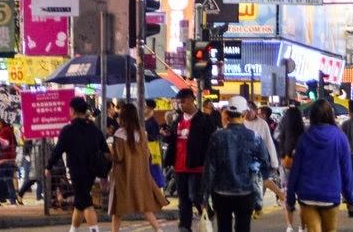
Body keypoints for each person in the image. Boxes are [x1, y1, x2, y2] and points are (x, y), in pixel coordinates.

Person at [287, 99, 353, 232]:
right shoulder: (340, 138)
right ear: (330, 115)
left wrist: (290, 199)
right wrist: (351, 201)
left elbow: (295, 171)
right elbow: (346, 172)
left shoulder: (305, 138)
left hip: (307, 196)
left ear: (312, 116)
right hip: (331, 195)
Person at [203, 99, 270, 232]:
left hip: (221, 192)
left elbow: (210, 168)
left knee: (223, 227)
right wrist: (253, 170)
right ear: (244, 114)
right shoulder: (254, 137)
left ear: (227, 114)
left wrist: (205, 194)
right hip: (246, 192)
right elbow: (264, 163)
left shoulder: (217, 137)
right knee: (243, 227)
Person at [48, 97, 112, 232]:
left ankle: (94, 230)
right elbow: (107, 152)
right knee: (79, 203)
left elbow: (57, 150)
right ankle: (73, 229)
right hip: (92, 171)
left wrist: (49, 166)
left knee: (87, 203)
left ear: (72, 110)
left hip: (77, 171)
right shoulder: (94, 130)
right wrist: (106, 169)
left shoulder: (67, 130)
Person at [163, 88, 216, 232]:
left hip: (197, 166)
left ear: (192, 100)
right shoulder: (178, 120)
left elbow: (211, 142)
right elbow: (173, 140)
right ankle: (184, 226)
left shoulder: (204, 120)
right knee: (183, 199)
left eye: (184, 102)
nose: (181, 105)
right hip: (180, 166)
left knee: (195, 196)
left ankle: (208, 212)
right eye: (179, 103)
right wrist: (167, 136)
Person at [109, 102, 166, 232]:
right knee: (144, 205)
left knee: (118, 209)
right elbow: (147, 154)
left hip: (123, 176)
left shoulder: (119, 133)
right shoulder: (142, 132)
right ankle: (158, 229)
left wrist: (109, 150)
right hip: (140, 174)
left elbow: (118, 157)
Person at [239, 97, 283, 211]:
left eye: (249, 110)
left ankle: (259, 203)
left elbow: (269, 142)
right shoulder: (240, 122)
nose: (247, 113)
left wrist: (274, 162)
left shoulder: (262, 124)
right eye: (245, 110)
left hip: (260, 160)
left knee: (262, 183)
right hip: (243, 161)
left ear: (255, 110)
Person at [275, 104, 306, 232]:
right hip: (302, 170)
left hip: (286, 168)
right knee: (303, 200)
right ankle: (302, 227)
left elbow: (276, 136)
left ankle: (289, 226)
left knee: (287, 198)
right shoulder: (304, 133)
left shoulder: (282, 134)